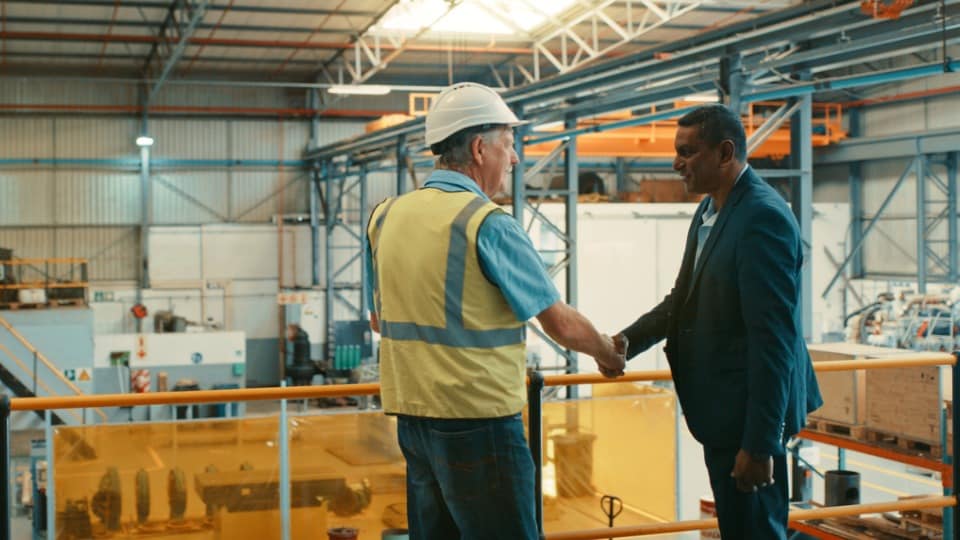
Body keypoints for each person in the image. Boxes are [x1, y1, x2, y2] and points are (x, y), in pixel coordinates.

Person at [365, 82, 625, 540]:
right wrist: (607, 351)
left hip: (414, 422)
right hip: (478, 423)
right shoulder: (485, 223)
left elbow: (378, 320)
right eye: (509, 144)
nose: (515, 158)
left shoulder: (386, 217)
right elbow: (559, 322)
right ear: (480, 148)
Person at [613, 104, 822, 539]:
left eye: (687, 152)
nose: (676, 164)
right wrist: (625, 342)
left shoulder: (761, 218)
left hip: (747, 419)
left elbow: (774, 340)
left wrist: (760, 444)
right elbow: (681, 301)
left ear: (725, 153)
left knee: (756, 532)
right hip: (723, 411)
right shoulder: (712, 209)